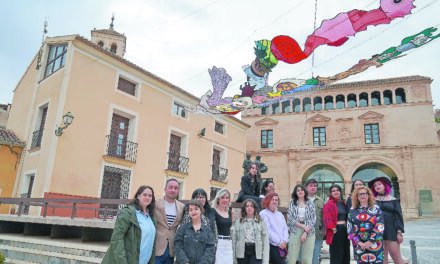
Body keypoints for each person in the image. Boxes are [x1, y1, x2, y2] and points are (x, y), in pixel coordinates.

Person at [102, 185, 156, 264]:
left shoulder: (151, 217)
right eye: (144, 195)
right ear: (138, 196)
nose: (147, 197)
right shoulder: (128, 213)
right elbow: (117, 239)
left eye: (150, 196)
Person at [368, 177, 404, 264]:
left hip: (391, 230)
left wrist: (399, 233)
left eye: (379, 184)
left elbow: (398, 217)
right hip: (376, 230)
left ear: (385, 186)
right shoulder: (372, 201)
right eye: (375, 185)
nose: (377, 186)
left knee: (397, 257)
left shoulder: (393, 200)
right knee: (382, 259)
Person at [348, 186, 385, 264]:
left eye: (364, 193)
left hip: (375, 244)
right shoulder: (352, 210)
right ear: (357, 197)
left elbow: (380, 226)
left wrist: (370, 241)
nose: (362, 196)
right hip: (359, 245)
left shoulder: (376, 209)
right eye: (360, 194)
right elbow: (350, 229)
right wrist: (359, 242)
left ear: (368, 195)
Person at [174, 200, 216, 264]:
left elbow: (210, 249)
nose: (193, 212)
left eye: (196, 209)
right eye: (190, 210)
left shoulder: (208, 231)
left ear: (201, 210)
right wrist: (184, 261)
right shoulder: (182, 229)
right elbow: (178, 246)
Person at [154, 179, 185, 264]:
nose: (173, 190)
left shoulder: (182, 207)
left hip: (171, 250)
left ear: (178, 190)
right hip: (156, 249)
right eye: (170, 187)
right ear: (165, 189)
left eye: (176, 188)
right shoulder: (155, 204)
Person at [232, 199, 269, 264]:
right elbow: (234, 240)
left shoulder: (261, 222)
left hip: (256, 252)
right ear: (244, 209)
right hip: (241, 252)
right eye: (247, 206)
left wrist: (265, 260)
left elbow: (265, 241)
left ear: (255, 208)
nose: (249, 207)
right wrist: (233, 258)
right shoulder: (239, 222)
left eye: (251, 206)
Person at [297, 179, 324, 264]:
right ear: (306, 187)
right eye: (311, 185)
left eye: (315, 186)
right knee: (301, 258)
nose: (313, 187)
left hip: (317, 234)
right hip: (302, 234)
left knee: (314, 258)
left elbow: (323, 217)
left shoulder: (321, 201)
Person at [286, 184, 316, 264]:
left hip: (309, 231)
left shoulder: (310, 203)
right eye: (298, 190)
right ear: (295, 193)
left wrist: (305, 232)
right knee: (292, 256)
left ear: (305, 191)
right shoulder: (292, 203)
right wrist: (303, 226)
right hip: (295, 229)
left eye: (302, 190)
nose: (300, 192)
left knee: (307, 257)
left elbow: (313, 219)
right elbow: (290, 218)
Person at [323, 184, 350, 264]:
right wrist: (332, 228)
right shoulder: (329, 204)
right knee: (336, 253)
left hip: (345, 230)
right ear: (330, 193)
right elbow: (326, 217)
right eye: (333, 191)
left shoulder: (342, 203)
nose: (336, 192)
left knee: (345, 251)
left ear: (340, 192)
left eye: (337, 190)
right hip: (335, 230)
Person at [259, 192, 289, 264]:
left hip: (282, 245)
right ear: (268, 201)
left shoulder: (280, 214)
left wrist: (285, 241)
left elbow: (285, 229)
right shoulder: (263, 214)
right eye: (272, 199)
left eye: (276, 200)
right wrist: (279, 242)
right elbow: (268, 231)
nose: (275, 201)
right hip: (271, 245)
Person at [211, 188, 233, 264]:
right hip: (218, 243)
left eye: (227, 198)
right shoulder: (213, 211)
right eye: (222, 197)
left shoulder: (229, 212)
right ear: (218, 199)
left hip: (229, 243)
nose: (225, 200)